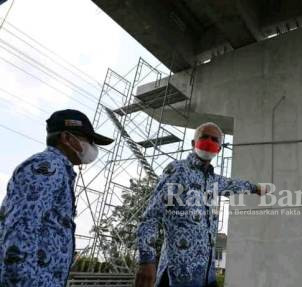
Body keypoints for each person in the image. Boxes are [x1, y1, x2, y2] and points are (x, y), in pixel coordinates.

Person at [135, 122, 267, 287]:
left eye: (214, 139)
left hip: (206, 274)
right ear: (193, 143)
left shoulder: (213, 180)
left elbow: (233, 185)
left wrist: (256, 188)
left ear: (219, 149)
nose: (209, 141)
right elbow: (151, 216)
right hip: (179, 274)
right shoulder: (177, 171)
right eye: (204, 137)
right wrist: (147, 260)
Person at [0, 109, 113, 286]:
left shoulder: (61, 171)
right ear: (67, 138)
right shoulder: (47, 168)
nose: (92, 147)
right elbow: (21, 229)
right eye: (88, 140)